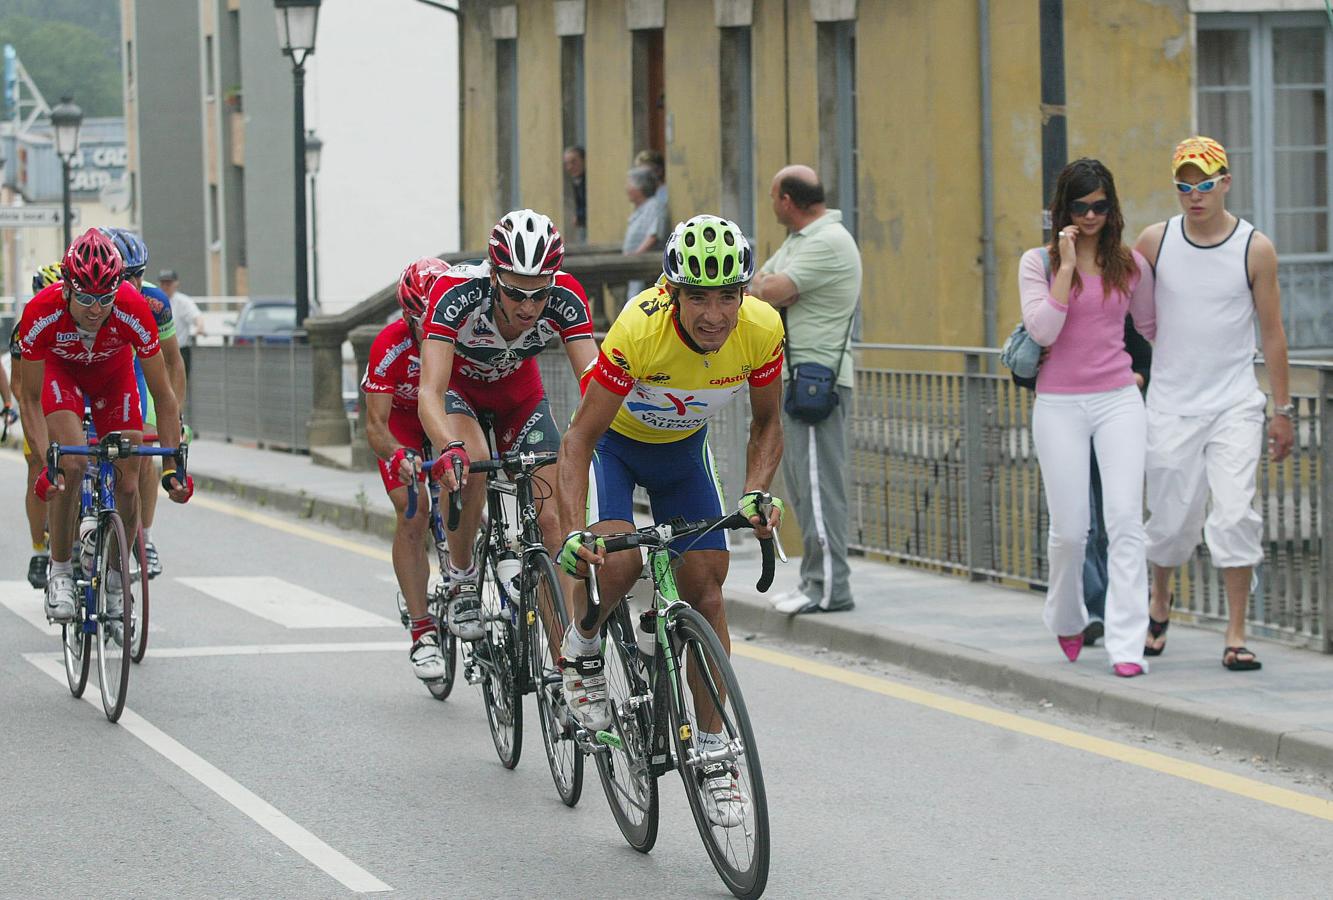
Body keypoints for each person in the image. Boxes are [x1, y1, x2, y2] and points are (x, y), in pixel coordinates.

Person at [556, 215, 785, 826]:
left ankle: (712, 753)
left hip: (684, 453)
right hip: (615, 448)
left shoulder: (761, 329)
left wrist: (757, 493)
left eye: (727, 297)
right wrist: (577, 534)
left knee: (708, 591)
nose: (714, 314)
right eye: (699, 298)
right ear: (674, 293)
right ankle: (579, 648)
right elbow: (579, 438)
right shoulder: (641, 328)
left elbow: (767, 424)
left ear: (743, 293)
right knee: (617, 564)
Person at [1134, 136, 1294, 671]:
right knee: (1171, 520)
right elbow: (1125, 312)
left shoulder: (1255, 247)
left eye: (1204, 184)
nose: (1194, 195)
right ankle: (1159, 601)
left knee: (1233, 514)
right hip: (1171, 403)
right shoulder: (1155, 242)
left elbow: (1272, 333)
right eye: (1184, 185)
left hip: (1234, 404)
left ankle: (1236, 632)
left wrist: (1282, 409)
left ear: (1225, 181)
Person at [417, 209, 597, 642]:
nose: (530, 307)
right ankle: (460, 576)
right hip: (460, 392)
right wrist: (447, 447)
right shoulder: (456, 292)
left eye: (540, 294)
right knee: (472, 459)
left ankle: (567, 661)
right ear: (495, 276)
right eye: (517, 293)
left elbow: (594, 382)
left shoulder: (566, 296)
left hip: (520, 397)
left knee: (553, 522)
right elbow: (429, 394)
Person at [1019, 158, 1155, 676]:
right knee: (1071, 531)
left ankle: (1127, 644)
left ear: (1112, 207)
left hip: (1119, 399)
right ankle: (1067, 616)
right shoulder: (1039, 262)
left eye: (1100, 205)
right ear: (1063, 210)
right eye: (1081, 206)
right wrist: (1069, 265)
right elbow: (1044, 332)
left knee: (1124, 523)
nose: (1092, 214)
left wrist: (1149, 377)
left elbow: (1151, 326)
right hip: (1058, 404)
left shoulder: (1130, 264)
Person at [17, 229, 192, 628]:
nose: (96, 310)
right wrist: (48, 464)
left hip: (113, 378)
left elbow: (164, 395)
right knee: (72, 466)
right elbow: (28, 398)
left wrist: (172, 468)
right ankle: (60, 572)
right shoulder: (40, 312)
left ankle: (116, 581)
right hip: (62, 375)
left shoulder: (134, 307)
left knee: (130, 480)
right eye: (86, 299)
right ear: (66, 289)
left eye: (105, 299)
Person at [750, 165, 861, 615]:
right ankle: (814, 581)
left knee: (818, 488)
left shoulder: (829, 242)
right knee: (802, 487)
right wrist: (771, 290)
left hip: (820, 381)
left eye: (773, 196)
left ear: (787, 201)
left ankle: (831, 588)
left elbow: (768, 289)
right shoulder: (802, 241)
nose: (772, 203)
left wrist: (773, 290)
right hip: (799, 378)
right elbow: (759, 286)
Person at [363, 257, 451, 681]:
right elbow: (375, 425)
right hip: (401, 424)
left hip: (445, 417)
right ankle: (422, 631)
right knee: (413, 513)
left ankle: (466, 575)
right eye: (423, 321)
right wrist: (398, 455)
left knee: (469, 487)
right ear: (408, 315)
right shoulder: (390, 344)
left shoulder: (463, 336)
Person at [106, 229, 187, 580]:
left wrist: (174, 416)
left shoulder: (154, 303)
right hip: (99, 377)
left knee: (145, 458)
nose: (135, 283)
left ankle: (145, 539)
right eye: (127, 276)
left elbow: (172, 363)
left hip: (140, 377)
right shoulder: (93, 298)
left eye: (140, 273)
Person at [1080, 320, 1152, 646]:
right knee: (1082, 526)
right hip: (1069, 422)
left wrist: (1127, 381)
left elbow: (1144, 364)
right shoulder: (1055, 301)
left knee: (1119, 522)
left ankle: (1120, 610)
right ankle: (1092, 609)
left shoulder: (1118, 310)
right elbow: (1025, 370)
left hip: (1115, 421)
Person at [621, 165, 668, 297]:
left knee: (637, 299)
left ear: (639, 187)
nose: (627, 189)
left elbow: (654, 235)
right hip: (633, 266)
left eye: (629, 184)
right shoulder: (640, 208)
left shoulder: (655, 205)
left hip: (642, 265)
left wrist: (637, 254)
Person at [158, 269, 204, 380]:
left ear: (176, 284)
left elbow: (197, 316)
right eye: (163, 283)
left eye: (168, 283)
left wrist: (199, 327)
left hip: (180, 350)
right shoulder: (155, 300)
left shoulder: (183, 301)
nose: (165, 286)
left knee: (178, 383)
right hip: (159, 351)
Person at [562, 146, 587, 241]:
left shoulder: (589, 182)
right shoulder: (575, 181)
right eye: (567, 164)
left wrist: (580, 216)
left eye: (574, 162)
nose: (570, 167)